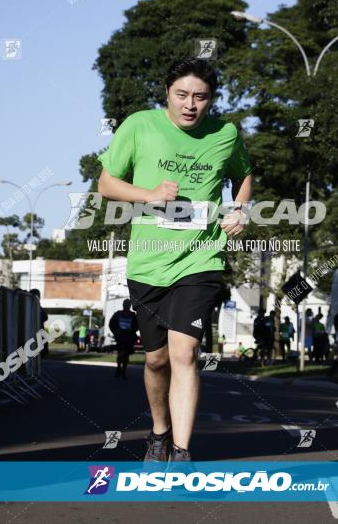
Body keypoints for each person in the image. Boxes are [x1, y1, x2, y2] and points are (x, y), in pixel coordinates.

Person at [96, 57, 253, 463]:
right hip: (149, 261)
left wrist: (239, 209)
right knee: (156, 359)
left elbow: (244, 173)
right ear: (166, 93)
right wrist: (148, 195)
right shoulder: (139, 126)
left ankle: (182, 452)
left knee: (185, 354)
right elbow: (106, 184)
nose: (190, 105)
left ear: (211, 100)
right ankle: (158, 433)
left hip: (201, 260)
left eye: (200, 97)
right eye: (181, 95)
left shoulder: (226, 133)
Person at [109, 299, 139, 380]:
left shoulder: (133, 315)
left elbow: (137, 325)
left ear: (130, 306)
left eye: (128, 304)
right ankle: (118, 367)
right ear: (123, 305)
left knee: (126, 355)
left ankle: (124, 370)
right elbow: (111, 324)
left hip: (129, 337)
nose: (126, 305)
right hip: (120, 337)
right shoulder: (118, 314)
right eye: (125, 304)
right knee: (120, 353)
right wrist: (115, 331)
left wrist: (132, 330)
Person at [30, 289, 50, 359]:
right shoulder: (33, 305)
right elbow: (44, 316)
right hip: (36, 331)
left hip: (39, 331)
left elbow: (45, 317)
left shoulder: (37, 305)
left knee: (44, 349)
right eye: (38, 295)